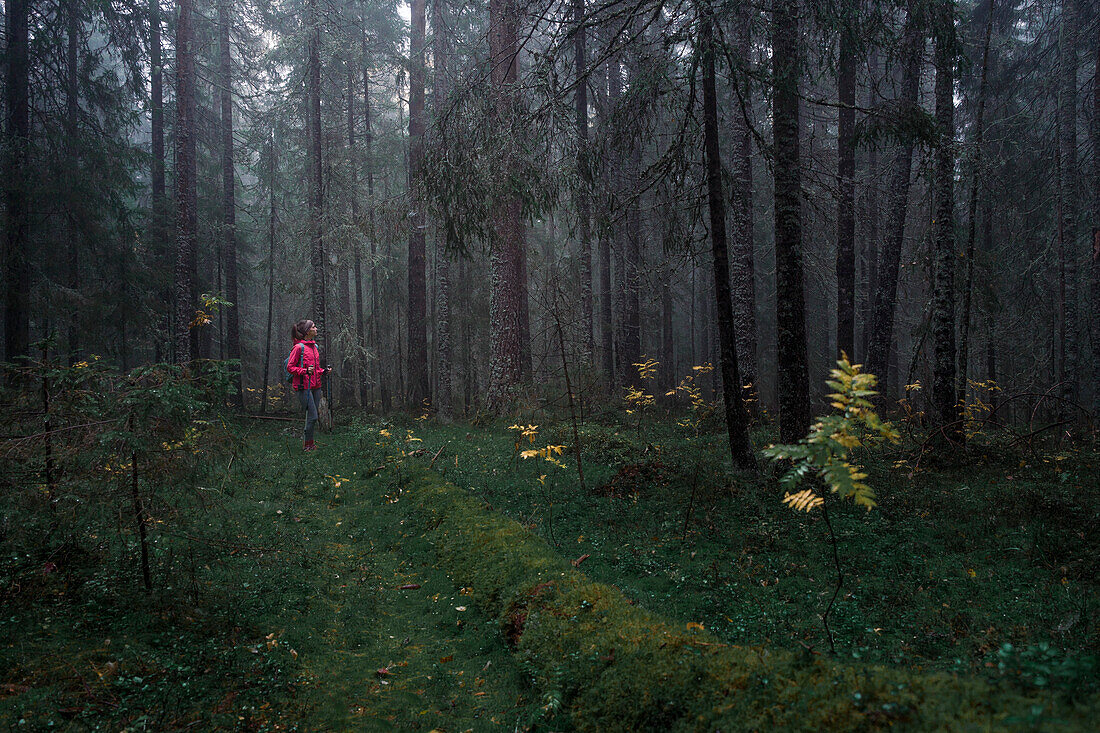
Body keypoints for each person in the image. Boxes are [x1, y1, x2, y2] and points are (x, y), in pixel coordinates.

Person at [288, 319, 325, 451]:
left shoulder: (315, 347)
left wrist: (323, 371)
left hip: (316, 386)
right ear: (307, 331)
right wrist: (304, 371)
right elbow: (290, 367)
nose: (316, 329)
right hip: (303, 387)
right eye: (314, 327)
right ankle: (307, 445)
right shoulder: (298, 347)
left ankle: (310, 444)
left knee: (313, 416)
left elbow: (315, 369)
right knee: (313, 416)